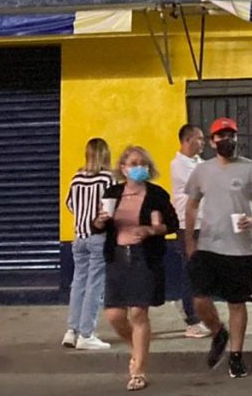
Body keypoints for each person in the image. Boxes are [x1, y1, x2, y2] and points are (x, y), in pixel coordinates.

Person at [185, 117, 252, 379]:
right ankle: (218, 332)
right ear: (212, 142)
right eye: (221, 136)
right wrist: (190, 239)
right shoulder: (202, 171)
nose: (227, 140)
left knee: (237, 303)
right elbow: (191, 205)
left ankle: (236, 355)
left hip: (241, 248)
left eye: (231, 135)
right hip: (208, 246)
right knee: (200, 298)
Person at [91, 145, 178, 391]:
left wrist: (151, 230)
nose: (139, 167)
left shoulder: (156, 194)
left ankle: (138, 370)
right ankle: (138, 349)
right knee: (114, 315)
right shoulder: (113, 193)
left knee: (138, 313)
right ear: (123, 168)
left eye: (143, 163)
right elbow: (97, 226)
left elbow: (172, 224)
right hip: (117, 257)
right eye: (134, 163)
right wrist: (99, 221)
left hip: (144, 258)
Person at [62, 138, 116, 351]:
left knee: (78, 284)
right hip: (98, 237)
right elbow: (109, 209)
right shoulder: (107, 178)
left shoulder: (76, 178)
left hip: (78, 237)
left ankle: (71, 330)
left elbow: (69, 204)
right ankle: (87, 333)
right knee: (95, 285)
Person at [169, 124, 210, 339]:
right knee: (191, 272)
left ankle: (193, 309)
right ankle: (192, 320)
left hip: (204, 224)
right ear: (186, 141)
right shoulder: (178, 165)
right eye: (199, 139)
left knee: (202, 273)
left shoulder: (198, 163)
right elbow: (203, 186)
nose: (203, 143)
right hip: (188, 226)